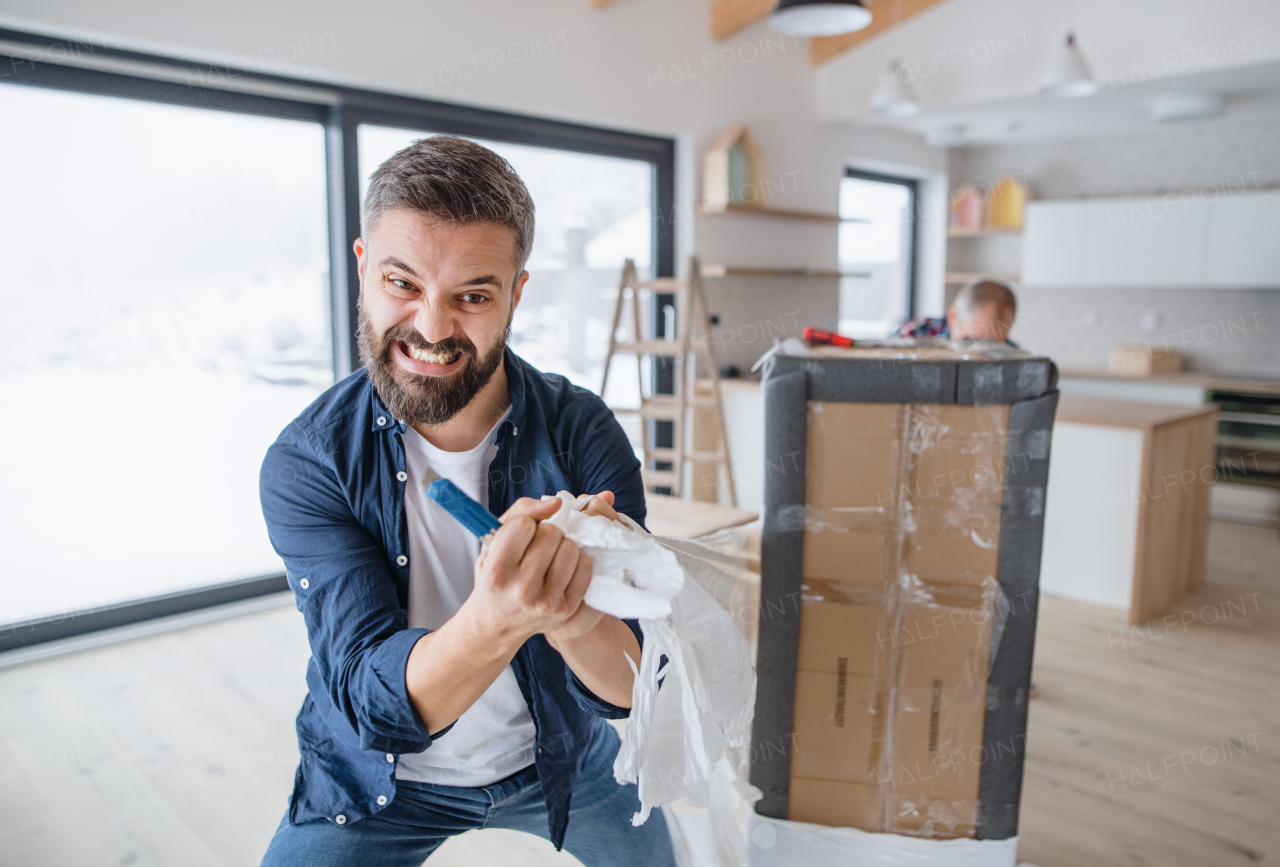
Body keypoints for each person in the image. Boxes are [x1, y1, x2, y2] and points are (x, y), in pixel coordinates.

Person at [257, 135, 676, 867]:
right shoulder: (309, 460)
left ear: (516, 293)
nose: (431, 326)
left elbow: (636, 685)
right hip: (376, 780)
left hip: (560, 755)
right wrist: (501, 616)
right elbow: (372, 702)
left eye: (473, 295)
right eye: (402, 283)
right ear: (362, 270)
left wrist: (574, 615)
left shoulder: (582, 430)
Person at [897, 278, 1019, 345]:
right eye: (968, 342)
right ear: (953, 317)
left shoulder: (1012, 354)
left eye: (992, 346)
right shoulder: (916, 336)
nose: (978, 354)